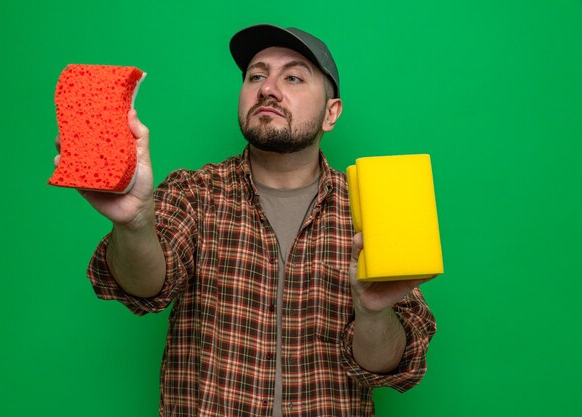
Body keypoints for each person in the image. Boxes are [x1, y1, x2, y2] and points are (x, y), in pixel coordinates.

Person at [57, 24, 436, 416]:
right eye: (256, 75)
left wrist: (373, 313)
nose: (267, 89)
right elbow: (145, 286)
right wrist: (134, 223)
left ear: (331, 112)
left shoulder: (370, 209)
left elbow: (392, 366)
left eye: (292, 77)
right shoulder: (195, 192)